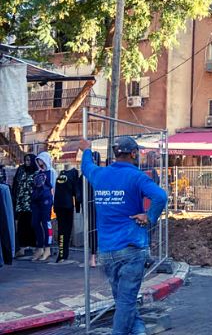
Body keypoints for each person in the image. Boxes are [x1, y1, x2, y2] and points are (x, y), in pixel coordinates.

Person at [79, 137, 167, 335]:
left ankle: (139, 332)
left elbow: (86, 167)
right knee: (126, 303)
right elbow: (160, 196)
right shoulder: (137, 177)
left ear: (115, 154)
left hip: (107, 251)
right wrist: (150, 216)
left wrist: (86, 149)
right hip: (131, 249)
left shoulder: (100, 174)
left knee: (123, 300)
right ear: (134, 154)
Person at [54, 164, 82, 263]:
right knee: (62, 231)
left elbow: (76, 191)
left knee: (64, 231)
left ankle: (63, 255)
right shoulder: (62, 173)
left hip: (66, 206)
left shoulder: (73, 173)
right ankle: (62, 255)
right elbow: (76, 192)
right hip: (61, 206)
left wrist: (78, 208)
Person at [30, 152, 55, 262]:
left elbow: (54, 186)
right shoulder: (37, 173)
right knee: (35, 223)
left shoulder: (52, 172)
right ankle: (40, 248)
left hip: (46, 200)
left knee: (46, 223)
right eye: (38, 159)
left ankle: (48, 248)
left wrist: (54, 201)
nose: (39, 161)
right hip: (35, 200)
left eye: (41, 159)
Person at [12, 154, 37, 257]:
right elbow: (15, 183)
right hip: (21, 203)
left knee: (33, 225)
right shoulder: (21, 169)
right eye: (25, 160)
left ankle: (34, 247)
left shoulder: (36, 171)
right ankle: (21, 248)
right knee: (22, 225)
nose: (27, 162)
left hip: (32, 203)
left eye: (29, 160)